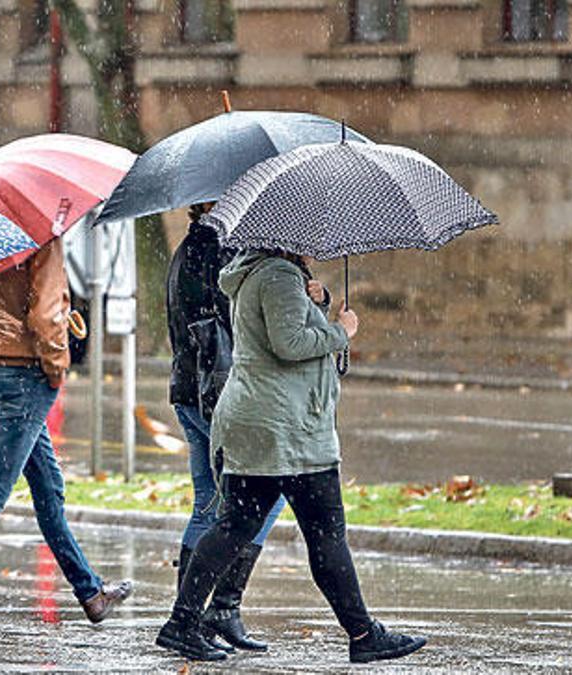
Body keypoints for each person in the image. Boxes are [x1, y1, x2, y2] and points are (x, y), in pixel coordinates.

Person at [156, 249, 428, 664]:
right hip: (289, 432)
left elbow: (276, 330)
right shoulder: (279, 275)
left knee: (235, 525)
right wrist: (341, 330)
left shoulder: (256, 273)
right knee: (326, 534)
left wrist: (315, 302)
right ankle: (363, 633)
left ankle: (182, 622)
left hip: (262, 424)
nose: (314, 246)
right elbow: (289, 344)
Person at [0, 239, 133, 624]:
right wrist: (57, 364)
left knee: (48, 492)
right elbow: (44, 315)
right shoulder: (41, 238)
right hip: (27, 374)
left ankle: (90, 592)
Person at [165, 203, 285, 652]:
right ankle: (214, 610)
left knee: (208, 504)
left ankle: (193, 615)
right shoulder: (221, 252)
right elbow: (248, 326)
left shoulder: (188, 248)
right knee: (263, 500)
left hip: (190, 391)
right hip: (217, 395)